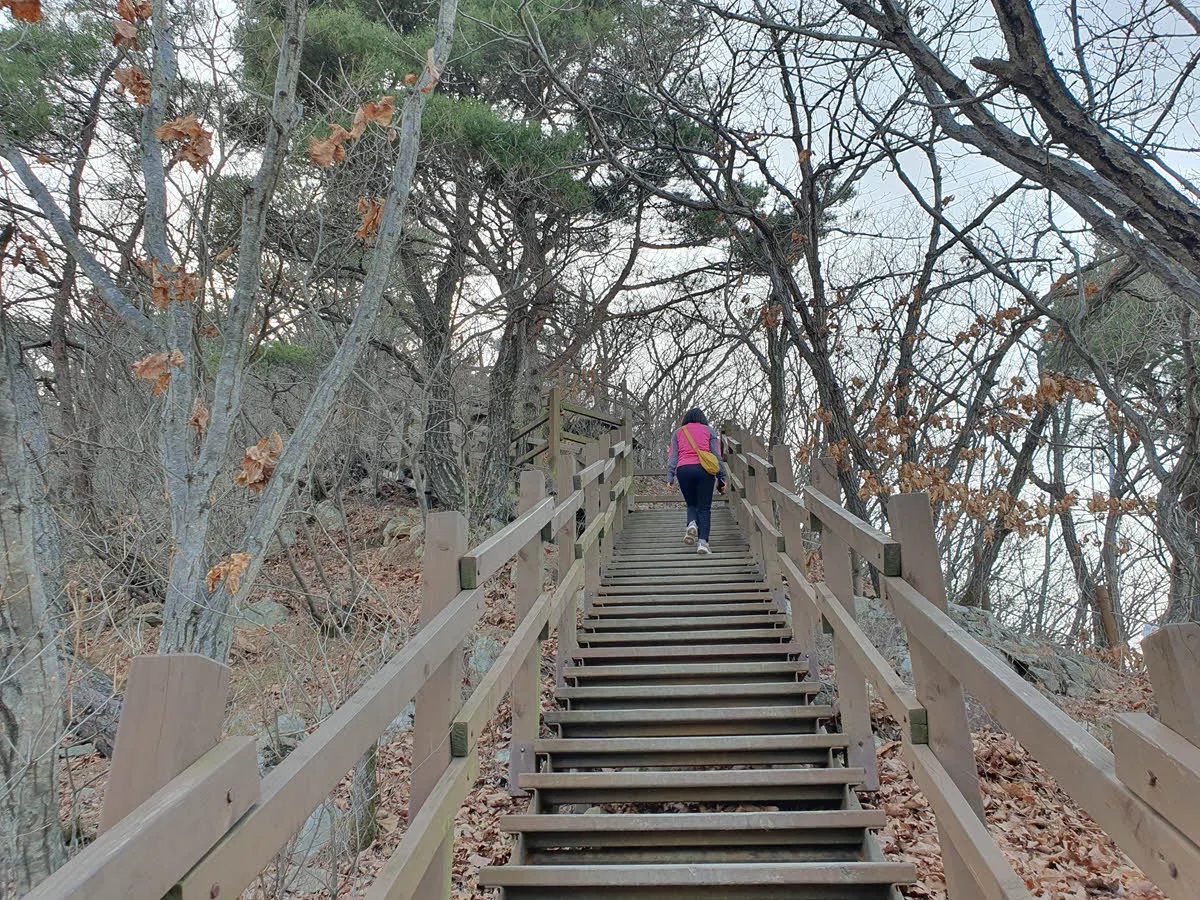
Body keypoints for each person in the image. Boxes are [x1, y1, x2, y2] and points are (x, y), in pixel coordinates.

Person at [666, 408, 727, 555]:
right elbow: (716, 455)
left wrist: (670, 478)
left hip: (683, 470)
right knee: (704, 508)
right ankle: (703, 543)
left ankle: (692, 523)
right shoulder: (709, 431)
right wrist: (722, 476)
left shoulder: (678, 432)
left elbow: (673, 457)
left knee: (691, 503)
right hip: (704, 470)